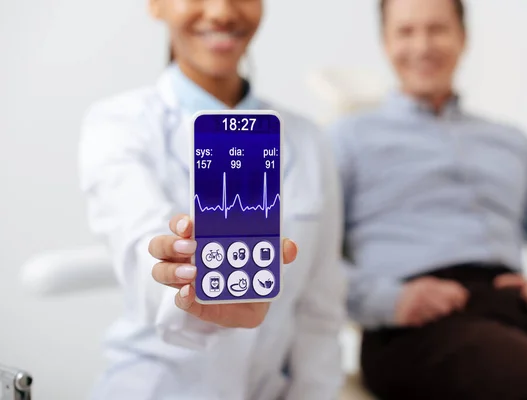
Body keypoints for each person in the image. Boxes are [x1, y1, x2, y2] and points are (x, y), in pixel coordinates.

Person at [329, 0, 527, 398]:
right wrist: (390, 300)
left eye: (437, 29)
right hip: (412, 326)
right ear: (385, 43)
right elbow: (316, 258)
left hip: (517, 305)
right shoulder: (345, 140)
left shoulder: (512, 141)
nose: (422, 46)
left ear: (463, 37)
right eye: (406, 31)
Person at [78, 0, 346, 399]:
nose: (221, 11)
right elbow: (142, 245)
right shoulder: (119, 125)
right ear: (156, 5)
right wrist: (187, 285)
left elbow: (320, 310)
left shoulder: (307, 140)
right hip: (157, 386)